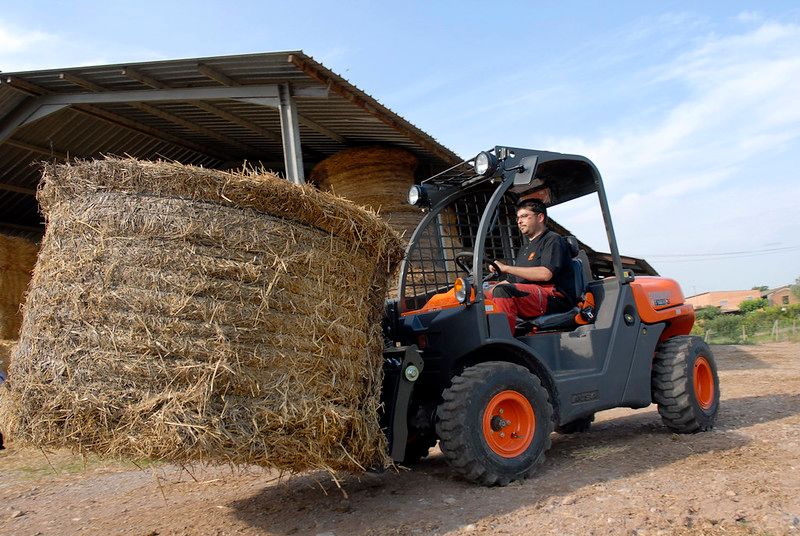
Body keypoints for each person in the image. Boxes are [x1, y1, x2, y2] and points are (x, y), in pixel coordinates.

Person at [487, 198, 576, 332]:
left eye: (524, 216)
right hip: (530, 294)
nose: (519, 221)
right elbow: (513, 280)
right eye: (518, 218)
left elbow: (545, 274)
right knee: (483, 294)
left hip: (553, 296)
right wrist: (486, 291)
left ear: (540, 217)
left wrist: (505, 268)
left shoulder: (552, 240)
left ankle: (503, 341)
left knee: (503, 291)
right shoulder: (525, 249)